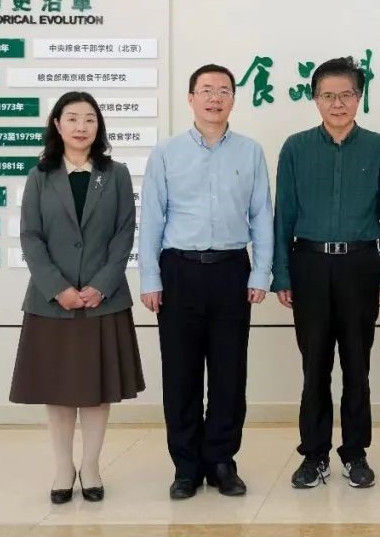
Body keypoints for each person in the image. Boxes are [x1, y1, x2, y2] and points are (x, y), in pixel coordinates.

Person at [139, 64, 273, 500]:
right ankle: (185, 466)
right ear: (191, 98)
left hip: (231, 270)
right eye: (206, 90)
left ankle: (221, 461)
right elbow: (152, 218)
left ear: (233, 98)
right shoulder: (166, 153)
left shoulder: (250, 152)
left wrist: (261, 272)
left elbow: (262, 215)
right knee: (181, 375)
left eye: (224, 91)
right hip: (178, 271)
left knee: (229, 374)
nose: (215, 98)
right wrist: (150, 278)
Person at [273, 56, 380, 490]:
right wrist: (282, 274)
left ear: (359, 97)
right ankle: (313, 455)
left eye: (346, 94)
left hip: (361, 266)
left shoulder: (379, 148)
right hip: (308, 264)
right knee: (315, 367)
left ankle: (355, 453)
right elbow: (283, 214)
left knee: (356, 365)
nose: (337, 103)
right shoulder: (295, 148)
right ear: (315, 99)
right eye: (328, 95)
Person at [11, 90, 144, 504]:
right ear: (57, 125)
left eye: (89, 119)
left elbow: (124, 233)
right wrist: (59, 288)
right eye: (72, 118)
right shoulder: (40, 176)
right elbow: (31, 237)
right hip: (52, 303)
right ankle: (62, 468)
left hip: (104, 299)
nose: (81, 127)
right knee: (58, 390)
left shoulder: (116, 173)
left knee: (97, 389)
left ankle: (90, 466)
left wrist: (102, 284)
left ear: (98, 126)